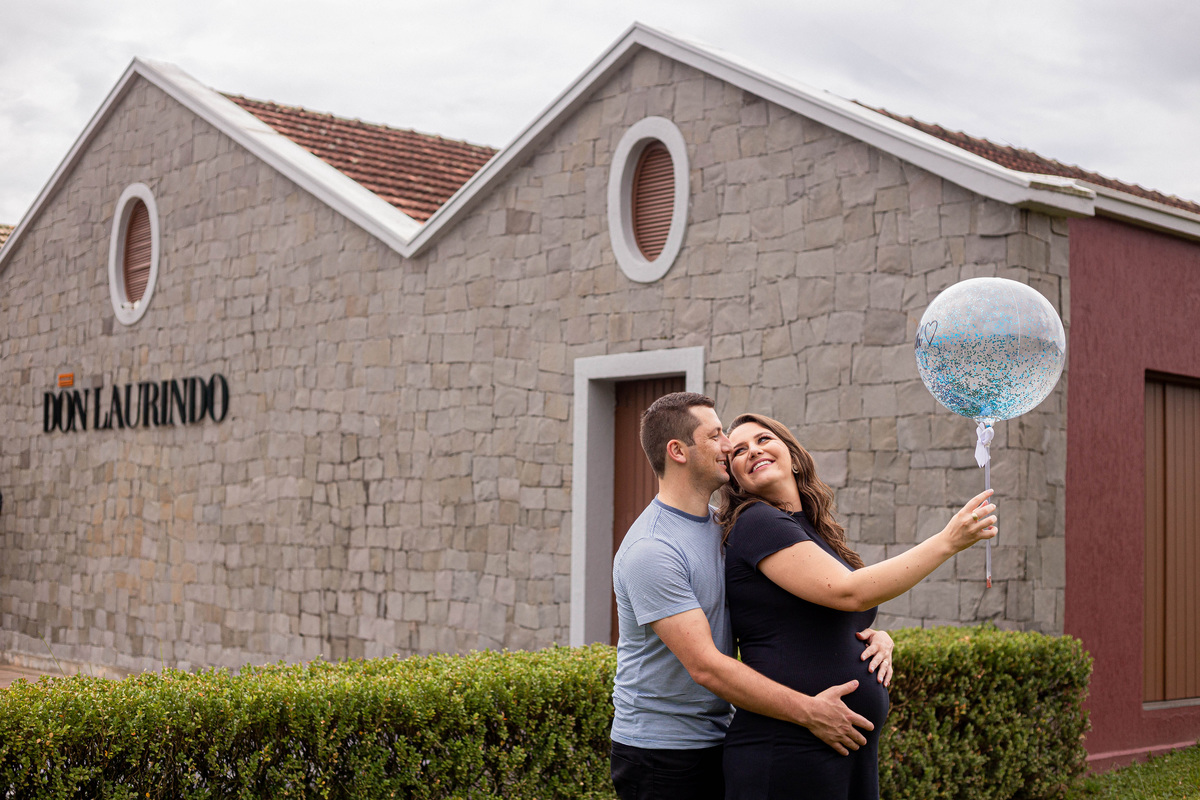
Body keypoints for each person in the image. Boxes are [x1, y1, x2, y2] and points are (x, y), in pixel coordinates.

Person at [610, 393, 893, 800]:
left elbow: (783, 609)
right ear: (678, 451)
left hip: (719, 734)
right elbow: (706, 667)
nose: (728, 445)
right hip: (663, 754)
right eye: (716, 435)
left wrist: (870, 637)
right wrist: (810, 712)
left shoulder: (720, 526)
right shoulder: (652, 549)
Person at [716, 412, 998, 800]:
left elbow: (826, 617)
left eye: (763, 440)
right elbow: (850, 592)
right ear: (735, 480)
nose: (753, 451)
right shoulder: (756, 522)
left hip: (842, 748)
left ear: (794, 457)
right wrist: (947, 541)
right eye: (739, 451)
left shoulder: (811, 529)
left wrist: (875, 637)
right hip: (787, 748)